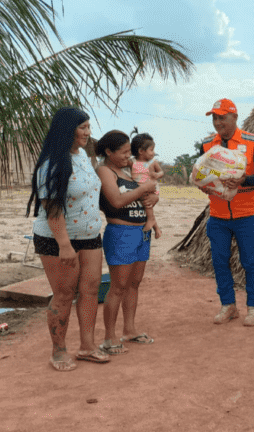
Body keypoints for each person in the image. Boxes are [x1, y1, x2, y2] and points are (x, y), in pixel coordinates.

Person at [26, 107, 110, 370]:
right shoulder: (52, 162)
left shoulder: (84, 157)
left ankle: (87, 346)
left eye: (88, 127)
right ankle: (58, 351)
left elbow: (91, 194)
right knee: (64, 294)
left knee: (90, 290)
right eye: (82, 127)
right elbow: (51, 206)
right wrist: (64, 245)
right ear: (67, 129)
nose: (87, 132)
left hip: (89, 236)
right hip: (58, 240)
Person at [199, 98, 254, 326]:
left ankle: (253, 308)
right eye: (214, 118)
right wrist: (203, 184)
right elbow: (201, 173)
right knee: (220, 261)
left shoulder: (252, 142)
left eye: (222, 117)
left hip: (246, 214)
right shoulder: (207, 144)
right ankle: (228, 306)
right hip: (218, 215)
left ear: (235, 117)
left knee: (250, 262)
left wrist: (243, 181)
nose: (218, 122)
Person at [96, 130, 159, 353]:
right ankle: (109, 338)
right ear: (108, 152)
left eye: (128, 152)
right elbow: (116, 200)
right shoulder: (105, 171)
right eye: (122, 152)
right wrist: (144, 189)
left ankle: (129, 330)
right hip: (121, 233)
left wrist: (153, 197)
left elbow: (143, 196)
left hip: (141, 233)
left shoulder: (126, 171)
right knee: (119, 286)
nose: (127, 156)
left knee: (134, 283)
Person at [129, 131, 163, 239]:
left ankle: (152, 222)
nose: (153, 153)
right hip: (139, 188)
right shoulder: (132, 161)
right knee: (146, 208)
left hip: (150, 188)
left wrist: (156, 175)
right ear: (141, 151)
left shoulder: (152, 162)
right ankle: (156, 227)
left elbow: (161, 172)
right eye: (151, 150)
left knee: (146, 203)